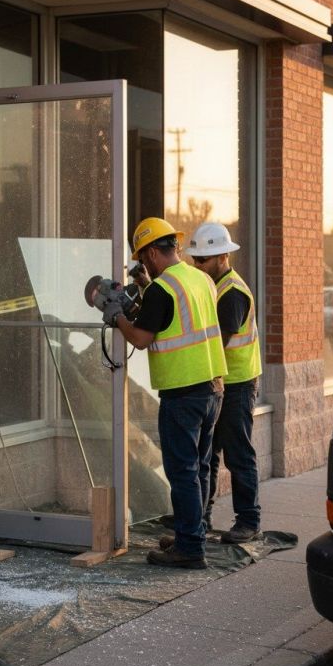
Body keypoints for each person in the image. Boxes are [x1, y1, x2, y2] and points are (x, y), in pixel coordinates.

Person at [104, 217, 226, 569]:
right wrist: (145, 286)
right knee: (200, 468)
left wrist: (116, 318)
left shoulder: (162, 290)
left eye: (143, 259)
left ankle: (189, 549)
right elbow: (176, 317)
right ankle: (194, 532)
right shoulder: (200, 279)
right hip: (212, 388)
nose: (142, 265)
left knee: (182, 472)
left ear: (154, 253)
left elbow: (141, 338)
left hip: (182, 394)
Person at [187, 222, 263, 544]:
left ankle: (249, 521)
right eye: (195, 260)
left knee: (238, 454)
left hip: (237, 383)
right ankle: (201, 517)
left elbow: (218, 343)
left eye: (202, 260)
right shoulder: (213, 286)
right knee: (209, 455)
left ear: (221, 256)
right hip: (222, 383)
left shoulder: (231, 293)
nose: (197, 265)